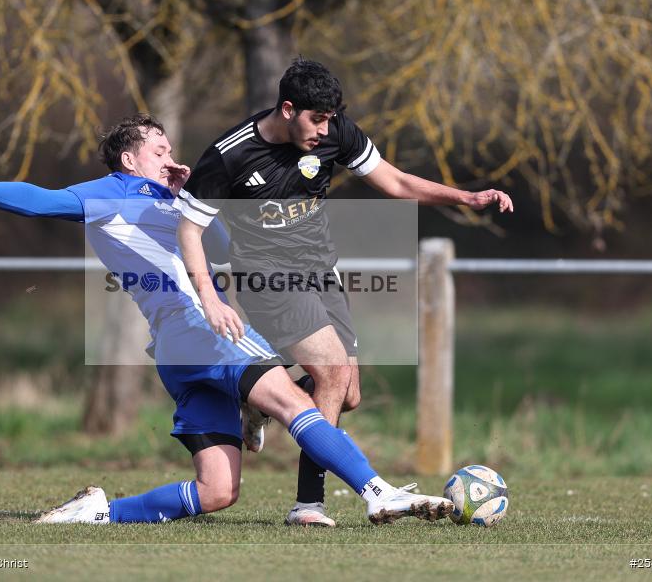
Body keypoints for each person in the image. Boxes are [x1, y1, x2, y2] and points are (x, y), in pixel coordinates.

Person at [0, 113, 453, 526]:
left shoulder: (170, 197)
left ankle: (101, 512)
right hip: (201, 332)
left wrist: (184, 196)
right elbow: (40, 202)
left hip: (177, 351)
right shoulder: (112, 192)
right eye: (159, 150)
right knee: (299, 400)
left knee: (218, 492)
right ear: (130, 159)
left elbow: (220, 245)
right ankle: (379, 494)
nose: (169, 157)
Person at [176, 59, 514, 527]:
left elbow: (394, 181)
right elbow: (189, 228)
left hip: (322, 274)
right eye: (317, 119)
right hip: (267, 279)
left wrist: (467, 197)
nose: (325, 129)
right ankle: (308, 504)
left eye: (332, 119)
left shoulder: (336, 132)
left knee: (346, 393)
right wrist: (211, 299)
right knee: (332, 372)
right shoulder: (230, 155)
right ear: (289, 109)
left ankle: (259, 399)